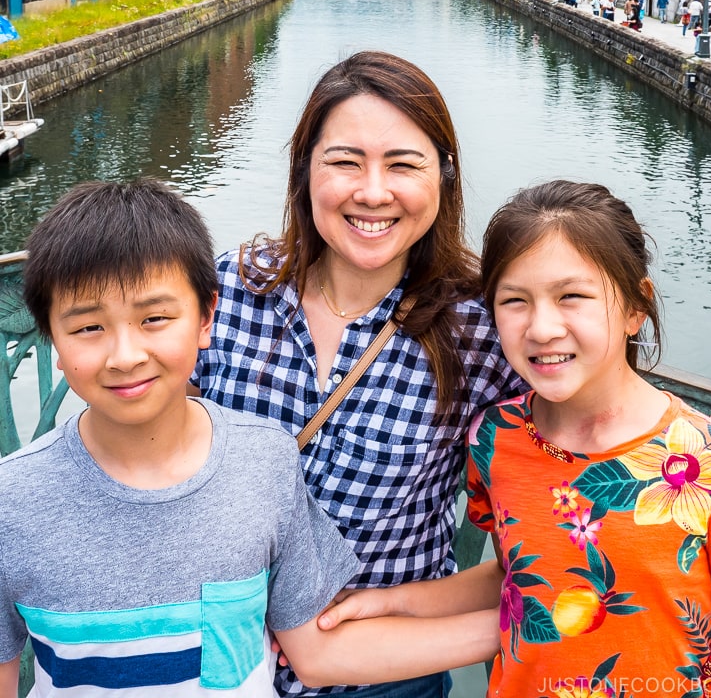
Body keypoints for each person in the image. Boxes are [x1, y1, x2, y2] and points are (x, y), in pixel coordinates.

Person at [192, 52, 711, 698]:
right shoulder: (233, 290)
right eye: (344, 161)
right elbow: (153, 419)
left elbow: (594, 405)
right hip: (216, 659)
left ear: (444, 177)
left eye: (403, 165)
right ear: (304, 168)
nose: (372, 191)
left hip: (387, 677)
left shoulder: (480, 329)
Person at [0, 179, 497, 698]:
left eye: (154, 319)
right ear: (51, 338)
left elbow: (315, 653)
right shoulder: (12, 504)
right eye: (88, 329)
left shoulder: (264, 462)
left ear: (208, 317)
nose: (125, 354)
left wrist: (531, 626)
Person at [324, 181, 711, 697]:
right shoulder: (495, 438)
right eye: (515, 300)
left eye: (573, 297)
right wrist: (395, 602)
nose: (542, 328)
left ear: (637, 306)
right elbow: (522, 571)